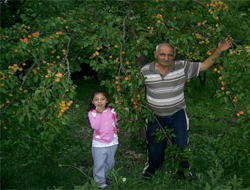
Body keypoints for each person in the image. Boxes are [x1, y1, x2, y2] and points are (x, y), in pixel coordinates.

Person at [141, 37, 233, 180]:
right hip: (155, 116)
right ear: (155, 54)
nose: (166, 58)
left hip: (177, 115)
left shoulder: (182, 67)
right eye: (163, 54)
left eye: (170, 55)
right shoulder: (145, 70)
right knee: (154, 147)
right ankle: (150, 172)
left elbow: (204, 65)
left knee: (182, 145)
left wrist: (219, 51)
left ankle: (184, 172)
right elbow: (135, 86)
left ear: (174, 56)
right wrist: (139, 107)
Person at [88, 89, 119, 189]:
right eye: (96, 99)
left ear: (107, 100)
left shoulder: (112, 110)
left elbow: (117, 121)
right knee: (99, 164)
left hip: (112, 142)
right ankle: (100, 183)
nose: (99, 102)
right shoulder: (92, 113)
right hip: (99, 144)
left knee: (110, 162)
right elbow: (95, 126)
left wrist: (130, 119)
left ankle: (107, 176)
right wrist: (99, 114)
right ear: (92, 102)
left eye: (102, 99)